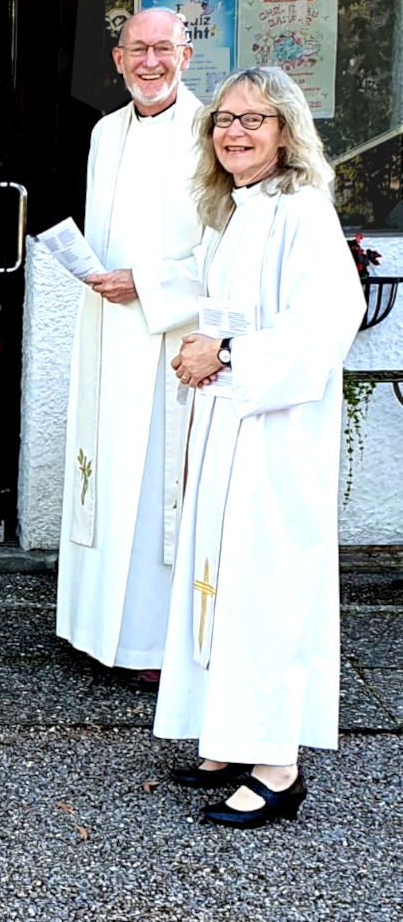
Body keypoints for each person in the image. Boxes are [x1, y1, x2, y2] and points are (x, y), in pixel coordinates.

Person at [158, 66, 362, 827]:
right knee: (223, 575)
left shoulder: (303, 211)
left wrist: (229, 353)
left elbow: (325, 322)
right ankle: (232, 733)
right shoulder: (241, 210)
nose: (235, 132)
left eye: (254, 119)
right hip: (230, 421)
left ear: (286, 132)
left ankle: (278, 764)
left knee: (269, 583)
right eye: (223, 120)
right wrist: (202, 351)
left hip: (276, 431)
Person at [56, 7, 204, 688]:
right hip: (106, 330)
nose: (150, 62)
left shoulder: (213, 135)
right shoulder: (104, 131)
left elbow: (224, 251)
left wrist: (146, 284)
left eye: (163, 48)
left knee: (151, 489)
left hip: (166, 338)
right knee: (101, 475)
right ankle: (91, 630)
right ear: (117, 59)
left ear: (186, 54)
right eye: (137, 49)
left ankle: (146, 644)